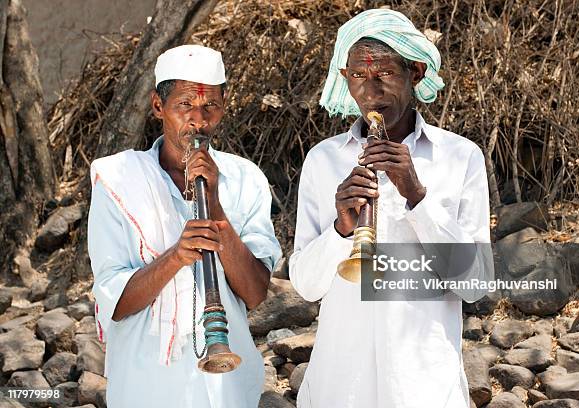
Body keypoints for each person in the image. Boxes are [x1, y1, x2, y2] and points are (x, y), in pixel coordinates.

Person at [289, 9, 493, 408]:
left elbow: (475, 284)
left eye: (384, 74)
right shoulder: (322, 159)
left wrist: (416, 194)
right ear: (346, 79)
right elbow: (306, 285)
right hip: (340, 384)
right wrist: (341, 230)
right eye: (359, 77)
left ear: (415, 73)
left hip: (424, 386)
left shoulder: (460, 156)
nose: (371, 92)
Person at [88, 44, 281, 408]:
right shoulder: (117, 180)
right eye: (185, 106)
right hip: (147, 384)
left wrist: (218, 214)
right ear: (158, 107)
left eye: (210, 107)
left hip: (228, 386)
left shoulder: (245, 179)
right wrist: (176, 257)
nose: (198, 121)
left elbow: (255, 293)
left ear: (223, 106)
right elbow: (115, 299)